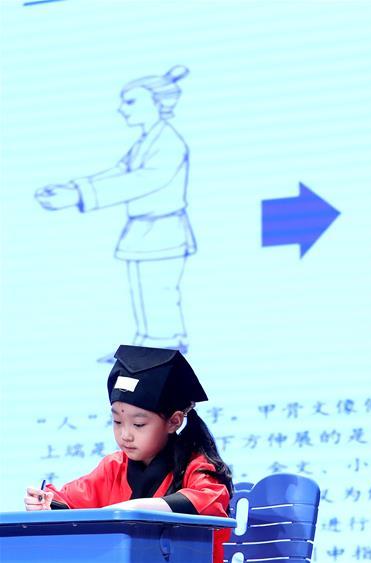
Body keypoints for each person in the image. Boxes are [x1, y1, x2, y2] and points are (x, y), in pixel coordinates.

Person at [35, 66, 196, 362]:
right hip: (144, 230)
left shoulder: (168, 143)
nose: (123, 109)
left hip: (163, 229)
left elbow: (142, 181)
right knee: (144, 293)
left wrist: (78, 195)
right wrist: (73, 188)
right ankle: (148, 347)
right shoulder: (146, 141)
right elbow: (119, 172)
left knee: (158, 292)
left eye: (131, 102)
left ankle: (163, 348)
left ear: (158, 103)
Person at [24, 345, 232, 563]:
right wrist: (45, 505)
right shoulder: (113, 467)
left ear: (174, 421)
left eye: (138, 424)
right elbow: (68, 500)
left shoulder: (195, 466)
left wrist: (130, 511)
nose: (125, 435)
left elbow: (208, 500)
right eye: (117, 421)